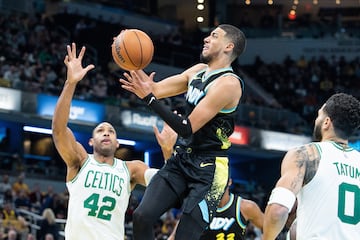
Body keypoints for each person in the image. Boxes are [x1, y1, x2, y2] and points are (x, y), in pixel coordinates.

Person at [120, 24, 246, 239]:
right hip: (181, 161)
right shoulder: (197, 71)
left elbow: (186, 128)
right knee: (141, 216)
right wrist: (127, 54)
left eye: (214, 36)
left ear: (228, 46)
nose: (206, 38)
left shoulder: (229, 83)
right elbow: (156, 90)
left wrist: (149, 98)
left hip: (210, 172)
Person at [51, 43, 158, 240]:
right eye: (101, 130)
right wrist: (70, 83)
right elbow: (58, 130)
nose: (106, 133)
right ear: (91, 142)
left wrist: (168, 152)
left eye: (111, 131)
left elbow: (164, 181)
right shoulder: (80, 161)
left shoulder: (131, 169)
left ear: (117, 143)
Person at [262, 93, 360, 240]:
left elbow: (278, 210)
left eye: (319, 115)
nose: (316, 120)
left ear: (326, 122)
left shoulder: (305, 155)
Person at [154, 123, 264, 240]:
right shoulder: (196, 208)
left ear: (229, 181)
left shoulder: (245, 207)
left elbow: (269, 228)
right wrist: (167, 150)